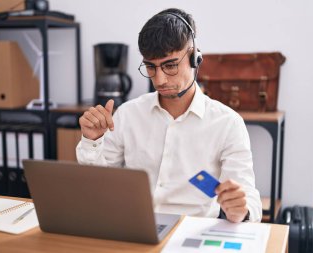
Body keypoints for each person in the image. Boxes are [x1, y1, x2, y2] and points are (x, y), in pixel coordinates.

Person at [76, 8, 262, 223]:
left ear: (195, 57)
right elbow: (100, 185)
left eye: (170, 65)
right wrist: (92, 141)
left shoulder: (228, 123)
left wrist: (241, 210)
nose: (160, 80)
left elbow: (248, 196)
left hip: (192, 231)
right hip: (134, 225)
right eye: (151, 67)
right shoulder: (127, 114)